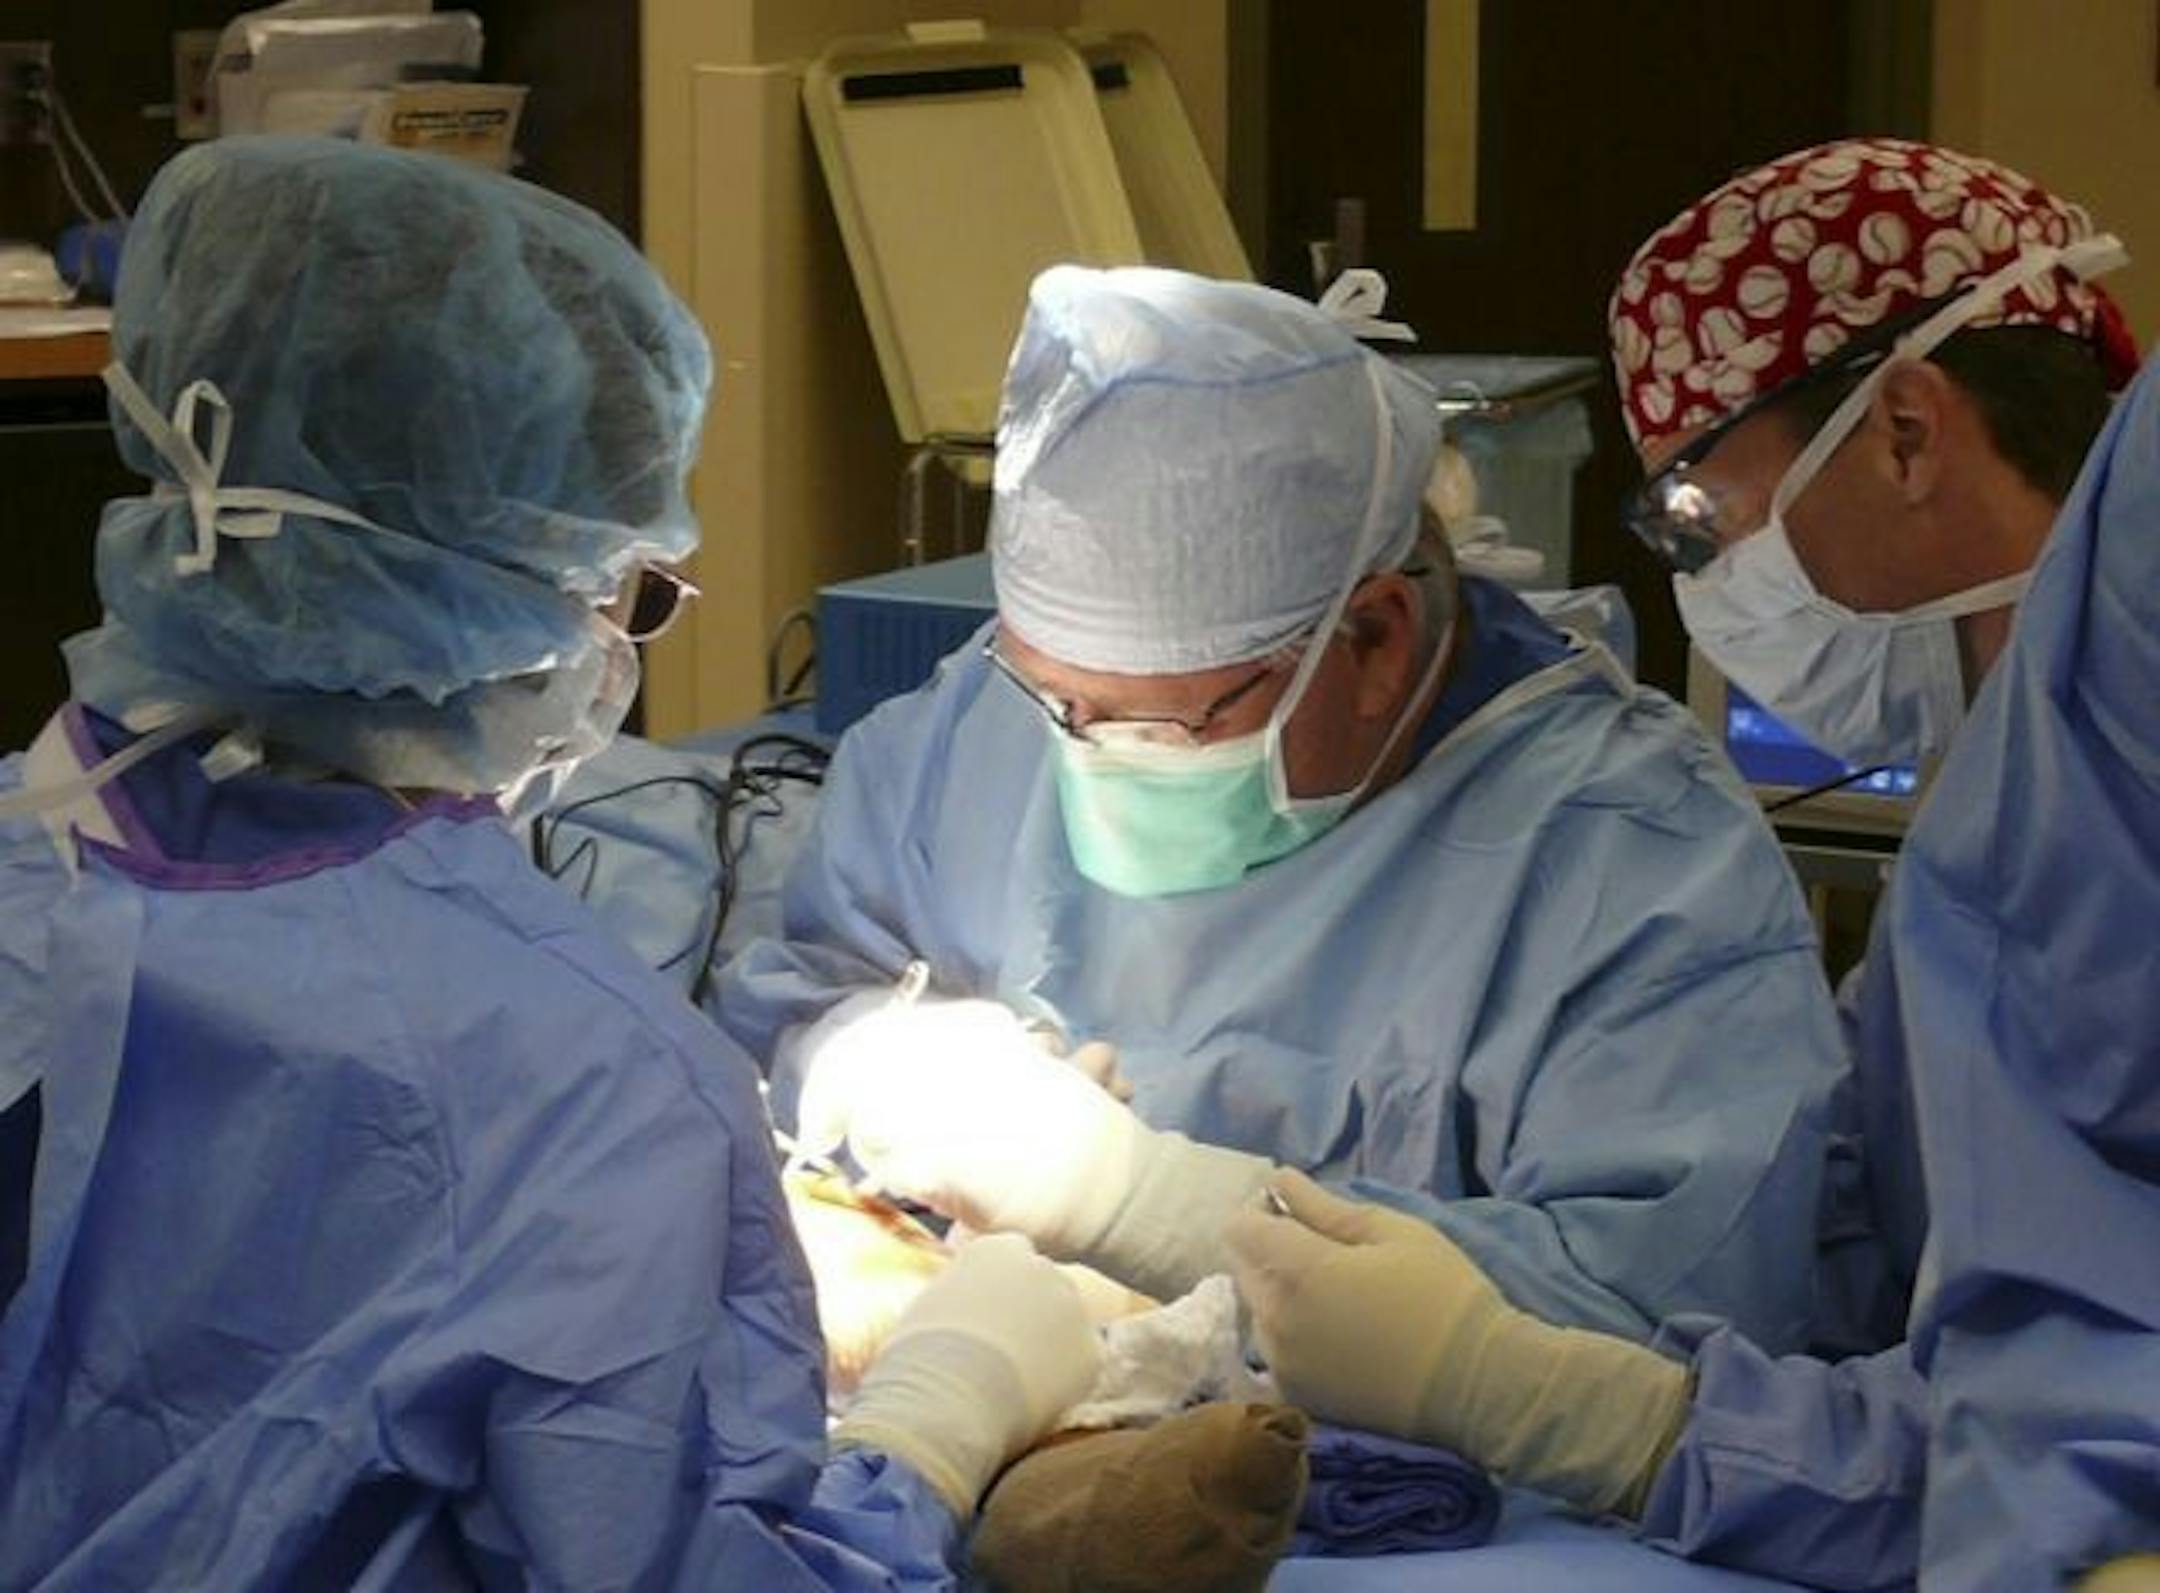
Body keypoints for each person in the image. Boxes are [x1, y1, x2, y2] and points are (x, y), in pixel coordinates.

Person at [0, 138, 1100, 1588]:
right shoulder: (591, 1088)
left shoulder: (38, 867)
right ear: (506, 588)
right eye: (619, 586)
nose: (611, 642)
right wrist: (937, 1428)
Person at [1226, 136, 2154, 1591]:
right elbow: (1868, 1222)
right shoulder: (2003, 808)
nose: (1705, 577)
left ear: (1907, 428)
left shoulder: (2097, 802)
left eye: (1698, 516)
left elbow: (2062, 1422)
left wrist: (1562, 1402)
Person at [717, 263, 1850, 1356]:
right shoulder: (973, 729)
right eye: (1054, 695)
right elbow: (797, 1010)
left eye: (1162, 724)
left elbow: (1669, 1313)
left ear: (1375, 638)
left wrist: (1149, 1211)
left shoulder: (1634, 862)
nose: (1081, 753)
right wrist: (878, 1072)